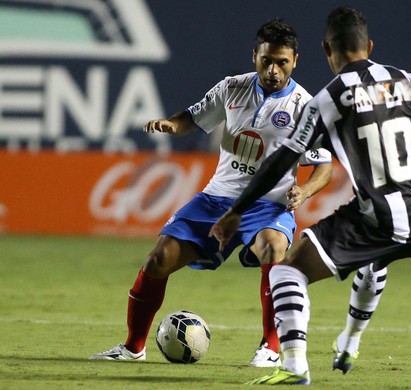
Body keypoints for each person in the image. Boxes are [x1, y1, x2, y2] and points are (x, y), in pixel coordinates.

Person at [210, 6, 411, 385]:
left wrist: (237, 209)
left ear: (326, 49)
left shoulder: (328, 98)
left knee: (288, 269)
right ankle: (350, 341)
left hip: (381, 217)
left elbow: (281, 160)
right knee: (374, 257)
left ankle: (292, 363)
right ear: (368, 45)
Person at [89, 18, 334, 368]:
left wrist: (305, 191)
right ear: (255, 56)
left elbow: (324, 168)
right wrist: (173, 125)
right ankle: (133, 347)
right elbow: (192, 117)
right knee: (157, 260)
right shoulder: (232, 88)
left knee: (274, 249)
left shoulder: (305, 108)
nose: (274, 69)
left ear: (295, 60)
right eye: (267, 60)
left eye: (282, 62)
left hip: (268, 205)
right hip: (215, 199)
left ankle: (270, 349)